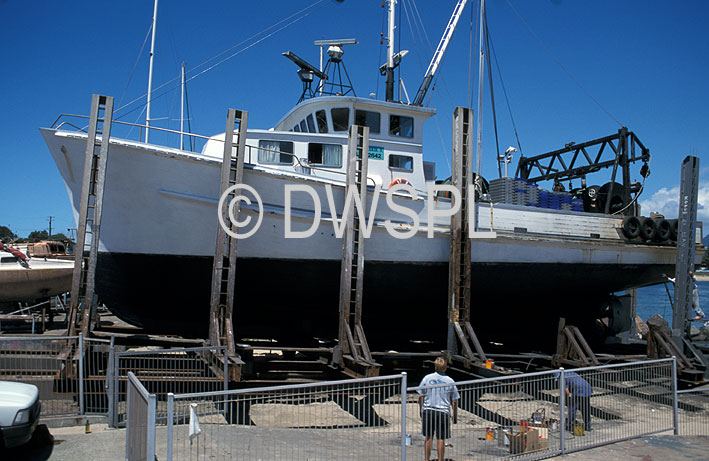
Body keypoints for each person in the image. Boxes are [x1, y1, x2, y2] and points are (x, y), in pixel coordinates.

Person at [418, 357, 459, 461]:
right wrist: (455, 415)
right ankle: (440, 459)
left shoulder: (427, 378)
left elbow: (420, 396)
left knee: (428, 437)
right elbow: (454, 400)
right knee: (441, 438)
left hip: (428, 409)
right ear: (445, 367)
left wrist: (421, 409)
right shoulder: (450, 381)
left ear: (435, 366)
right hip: (443, 411)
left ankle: (426, 459)